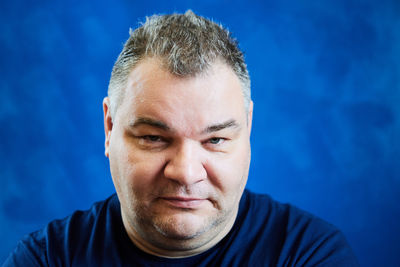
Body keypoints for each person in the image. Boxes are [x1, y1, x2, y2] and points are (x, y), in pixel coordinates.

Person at [3, 10, 359, 266]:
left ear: (247, 128)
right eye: (154, 138)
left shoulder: (309, 254)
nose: (187, 173)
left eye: (215, 140)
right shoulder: (46, 258)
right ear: (109, 127)